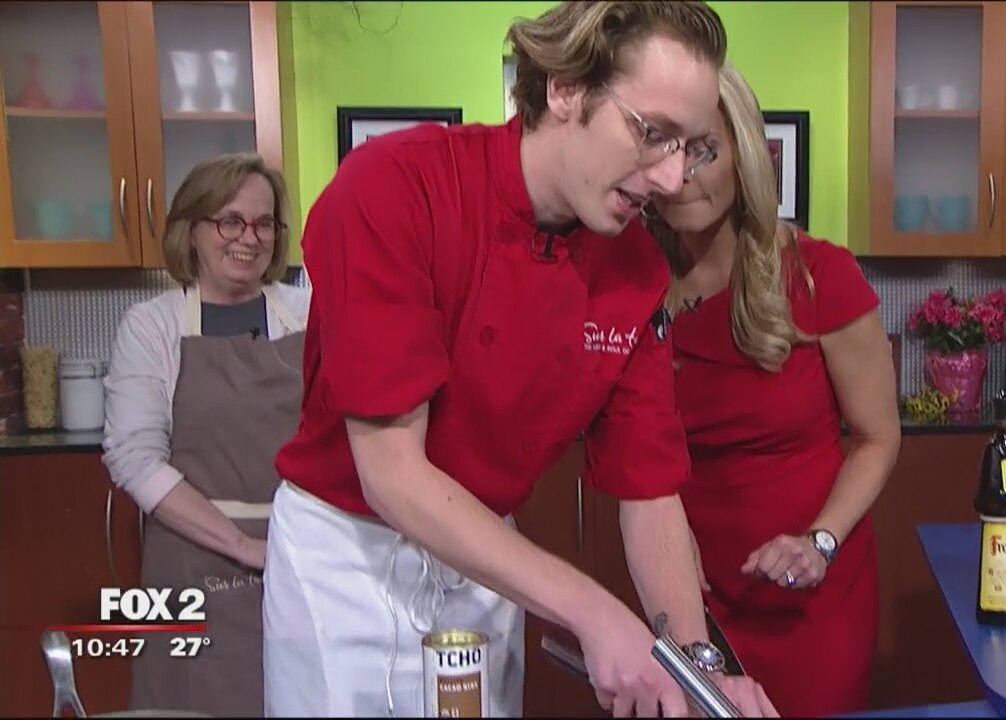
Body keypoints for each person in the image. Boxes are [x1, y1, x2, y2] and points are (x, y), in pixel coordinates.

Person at [263, 2, 777, 718]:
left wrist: (698, 667)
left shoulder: (635, 270)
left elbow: (650, 491)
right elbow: (391, 474)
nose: (670, 179)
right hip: (345, 563)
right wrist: (591, 610)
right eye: (651, 133)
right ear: (565, 88)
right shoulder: (394, 187)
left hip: (486, 567)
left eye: (689, 148)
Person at [646, 64, 902, 717]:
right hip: (688, 596)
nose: (680, 174)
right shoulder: (633, 284)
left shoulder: (819, 276)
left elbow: (877, 437)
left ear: (745, 154)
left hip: (809, 596)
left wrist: (821, 541)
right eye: (660, 148)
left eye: (702, 150)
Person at [101, 152, 310, 716]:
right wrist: (244, 547)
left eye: (264, 223)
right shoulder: (153, 326)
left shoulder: (309, 314)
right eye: (230, 221)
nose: (249, 238)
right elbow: (136, 460)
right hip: (193, 560)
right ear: (190, 229)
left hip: (302, 560)